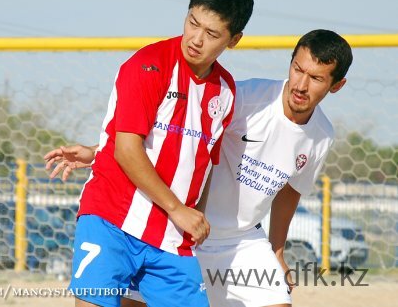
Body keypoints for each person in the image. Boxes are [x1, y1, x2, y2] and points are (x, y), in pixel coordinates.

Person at [46, 29, 352, 307]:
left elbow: (290, 191)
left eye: (316, 78)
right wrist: (97, 152)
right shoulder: (244, 98)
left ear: (336, 85)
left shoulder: (321, 136)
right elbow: (173, 137)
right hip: (183, 228)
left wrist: (277, 252)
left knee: (279, 301)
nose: (300, 84)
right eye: (297, 69)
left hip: (242, 240)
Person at [44, 0, 254, 307]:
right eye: (192, 23)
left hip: (171, 237)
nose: (196, 39)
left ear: (234, 39)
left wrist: (194, 217)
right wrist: (178, 209)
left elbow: (198, 161)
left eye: (211, 33)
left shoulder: (226, 91)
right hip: (111, 219)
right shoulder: (148, 66)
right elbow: (128, 149)